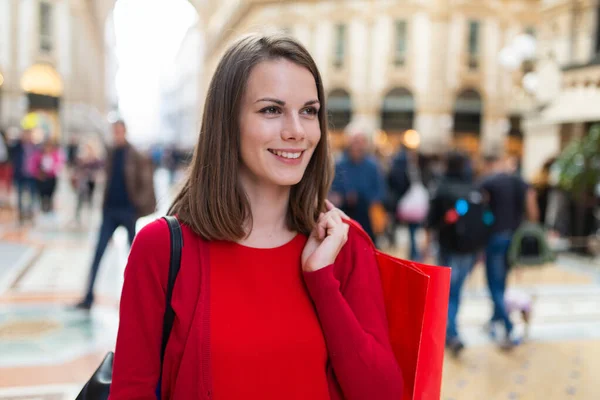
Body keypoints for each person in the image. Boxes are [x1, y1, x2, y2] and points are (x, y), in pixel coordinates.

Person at [109, 34, 403, 400]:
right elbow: (130, 391)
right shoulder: (161, 249)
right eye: (271, 110)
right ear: (227, 121)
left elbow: (383, 393)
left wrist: (322, 282)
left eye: (309, 111)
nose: (296, 131)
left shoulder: (344, 243)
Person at [75, 120, 156, 310]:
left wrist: (137, 206)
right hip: (110, 212)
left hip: (128, 212)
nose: (117, 135)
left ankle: (140, 300)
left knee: (135, 258)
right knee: (98, 253)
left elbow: (146, 183)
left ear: (125, 132)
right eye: (115, 132)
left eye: (120, 131)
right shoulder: (111, 153)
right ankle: (88, 297)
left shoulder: (135, 154)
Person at [422, 151, 484, 356]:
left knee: (447, 291)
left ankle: (449, 332)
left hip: (448, 246)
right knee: (455, 291)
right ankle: (450, 331)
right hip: (470, 248)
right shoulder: (473, 187)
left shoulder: (441, 187)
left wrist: (426, 245)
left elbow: (431, 221)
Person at [480, 154, 538, 348]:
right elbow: (532, 206)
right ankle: (495, 319)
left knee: (493, 285)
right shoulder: (519, 182)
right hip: (513, 237)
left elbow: (477, 205)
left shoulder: (490, 181)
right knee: (502, 281)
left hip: (494, 237)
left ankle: (508, 325)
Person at [330, 129, 386, 243]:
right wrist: (343, 197)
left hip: (367, 217)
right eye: (354, 142)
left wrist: (363, 197)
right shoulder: (339, 165)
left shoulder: (373, 166)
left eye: (360, 142)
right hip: (345, 215)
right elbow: (333, 189)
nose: (357, 146)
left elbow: (380, 191)